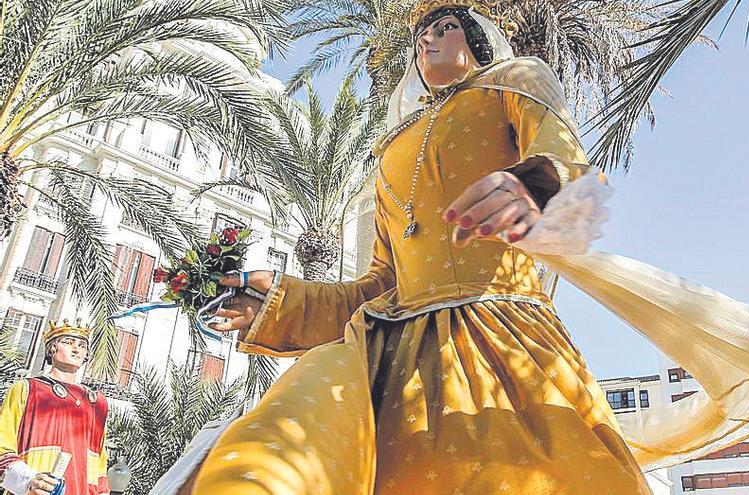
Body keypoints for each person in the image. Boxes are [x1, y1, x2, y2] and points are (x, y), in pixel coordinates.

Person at [190, 1, 651, 493]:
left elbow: (562, 153)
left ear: (476, 39)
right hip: (389, 356)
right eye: (421, 35)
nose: (427, 40)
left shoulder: (514, 82)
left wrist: (534, 184)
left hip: (498, 340)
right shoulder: (391, 150)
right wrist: (278, 298)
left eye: (445, 27)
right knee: (277, 451)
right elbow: (381, 284)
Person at [0, 319, 110, 495]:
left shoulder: (98, 402)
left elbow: (99, 459)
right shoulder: (28, 389)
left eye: (82, 346)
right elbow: (2, 444)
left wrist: (103, 492)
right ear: (52, 348)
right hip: (36, 488)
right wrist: (29, 480)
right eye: (68, 342)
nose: (76, 349)